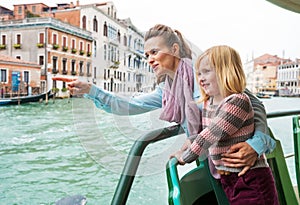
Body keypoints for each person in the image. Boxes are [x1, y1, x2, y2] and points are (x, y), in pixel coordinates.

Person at [52, 24, 275, 175]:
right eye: (146, 55)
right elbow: (130, 106)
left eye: (155, 52)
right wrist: (89, 90)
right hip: (212, 165)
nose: (149, 59)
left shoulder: (206, 75)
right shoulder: (167, 90)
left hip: (244, 167)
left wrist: (254, 146)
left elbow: (252, 104)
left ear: (174, 49)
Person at [172, 45, 279, 205]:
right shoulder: (210, 101)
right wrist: (189, 142)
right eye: (199, 73)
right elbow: (212, 131)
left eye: (207, 71)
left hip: (250, 179)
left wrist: (185, 157)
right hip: (228, 178)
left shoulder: (237, 101)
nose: (200, 78)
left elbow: (210, 135)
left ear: (225, 71)